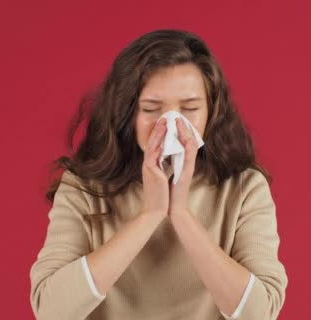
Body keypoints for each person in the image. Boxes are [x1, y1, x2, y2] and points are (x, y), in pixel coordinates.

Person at [29, 29, 288, 320]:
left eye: (189, 108)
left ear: (211, 112)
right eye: (152, 109)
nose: (171, 125)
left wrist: (180, 214)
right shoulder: (82, 188)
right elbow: (50, 309)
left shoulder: (245, 188)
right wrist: (149, 215)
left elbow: (260, 312)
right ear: (127, 114)